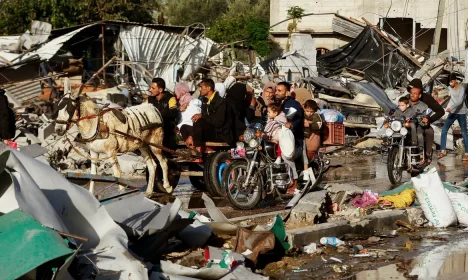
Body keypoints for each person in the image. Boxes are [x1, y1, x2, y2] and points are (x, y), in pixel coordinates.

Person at [181, 79, 233, 155]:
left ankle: (197, 150)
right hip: (208, 130)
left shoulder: (221, 102)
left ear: (208, 88)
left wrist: (202, 116)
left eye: (201, 87)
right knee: (184, 127)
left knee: (198, 122)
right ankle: (192, 148)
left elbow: (218, 122)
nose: (200, 89)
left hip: (219, 133)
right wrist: (191, 135)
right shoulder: (205, 102)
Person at [275, 81, 304, 194]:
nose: (276, 93)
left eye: (279, 91)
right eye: (276, 90)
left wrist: (290, 124)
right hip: (282, 136)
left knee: (286, 157)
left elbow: (292, 119)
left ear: (287, 92)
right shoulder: (281, 104)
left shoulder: (291, 104)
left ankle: (294, 181)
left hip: (293, 139)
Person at [406, 78, 443, 164]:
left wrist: (429, 120)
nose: (412, 94)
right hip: (408, 123)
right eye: (411, 91)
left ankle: (427, 153)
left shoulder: (427, 99)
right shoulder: (407, 98)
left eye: (415, 91)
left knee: (429, 131)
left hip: (421, 123)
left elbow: (441, 111)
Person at [438, 72, 468, 161]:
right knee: (444, 130)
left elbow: (459, 101)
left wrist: (451, 107)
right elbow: (448, 97)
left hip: (461, 112)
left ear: (455, 80)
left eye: (451, 82)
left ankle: (467, 153)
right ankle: (443, 150)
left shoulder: (461, 88)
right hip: (453, 112)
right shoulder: (449, 88)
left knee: (464, 133)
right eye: (449, 82)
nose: (450, 84)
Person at [147, 78, 178, 150]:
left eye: (153, 88)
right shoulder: (150, 99)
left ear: (160, 90)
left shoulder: (170, 98)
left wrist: (157, 114)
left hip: (167, 125)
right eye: (150, 87)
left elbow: (174, 112)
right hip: (153, 124)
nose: (150, 90)